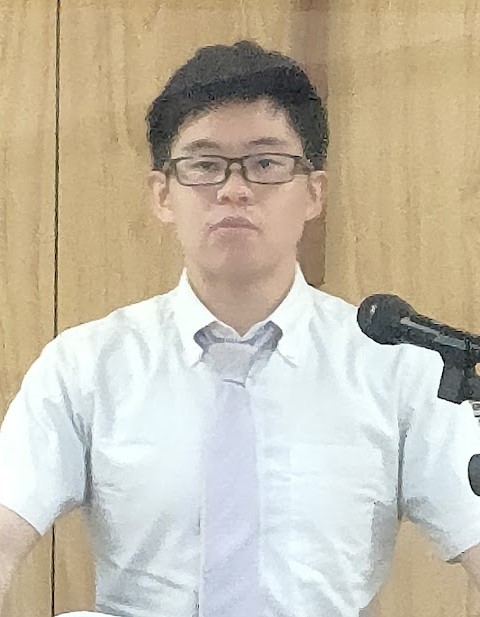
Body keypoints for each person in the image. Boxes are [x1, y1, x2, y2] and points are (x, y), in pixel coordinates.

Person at [1, 39, 480, 617]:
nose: (233, 189)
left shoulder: (397, 365)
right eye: (204, 165)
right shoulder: (85, 365)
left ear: (314, 193)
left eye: (266, 164)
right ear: (162, 195)